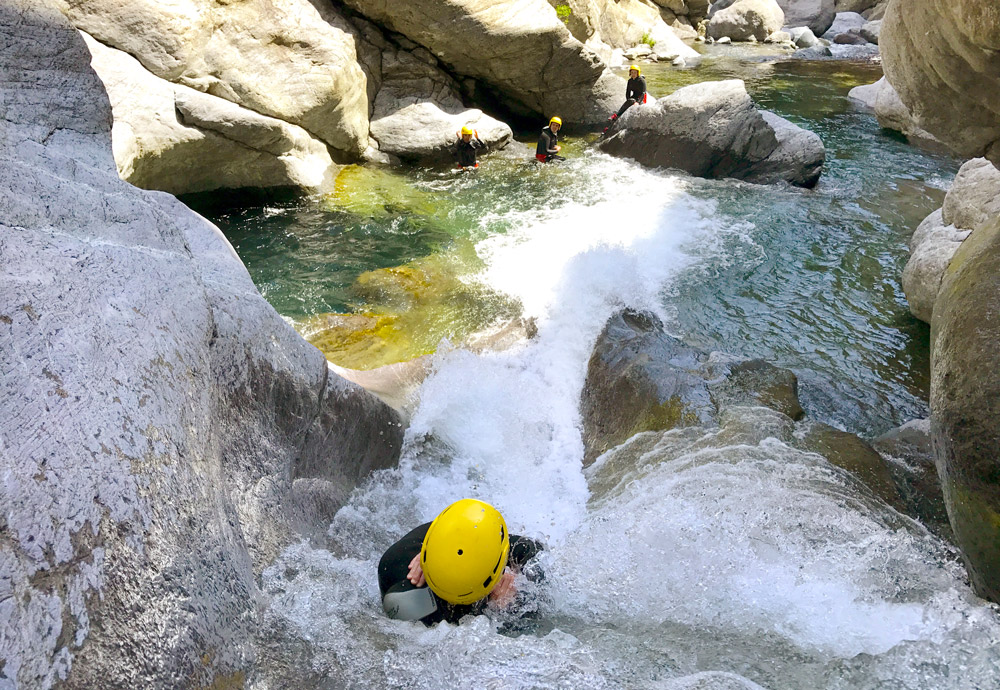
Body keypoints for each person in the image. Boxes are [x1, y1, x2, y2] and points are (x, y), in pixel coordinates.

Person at [378, 498, 543, 625]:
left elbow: (534, 550)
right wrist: (509, 608)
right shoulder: (409, 599)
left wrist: (434, 551)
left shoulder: (396, 561)